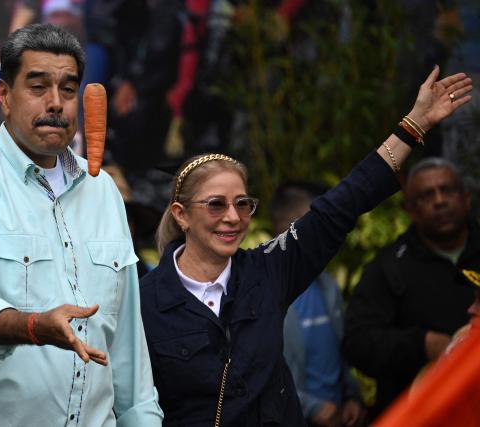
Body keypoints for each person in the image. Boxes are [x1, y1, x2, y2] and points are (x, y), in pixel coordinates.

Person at [139, 66, 472, 426]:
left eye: (243, 204)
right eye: (216, 204)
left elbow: (340, 206)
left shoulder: (268, 270)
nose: (233, 217)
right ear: (181, 215)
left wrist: (413, 125)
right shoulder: (144, 300)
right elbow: (130, 402)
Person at [0, 23, 162, 426]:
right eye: (37, 87)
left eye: (68, 89)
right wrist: (34, 326)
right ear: (4, 96)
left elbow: (128, 348)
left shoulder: (104, 192)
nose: (55, 103)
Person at [342, 157, 480, 419]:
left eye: (447, 190)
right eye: (427, 196)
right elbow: (357, 343)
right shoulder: (388, 267)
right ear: (410, 210)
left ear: (466, 198)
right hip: (417, 412)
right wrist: (421, 344)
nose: (439, 201)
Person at [271, 182, 365, 427]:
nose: (326, 233)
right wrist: (312, 408)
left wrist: (352, 396)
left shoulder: (328, 286)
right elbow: (262, 373)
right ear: (287, 227)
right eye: (316, 224)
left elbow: (341, 352)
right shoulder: (268, 294)